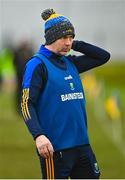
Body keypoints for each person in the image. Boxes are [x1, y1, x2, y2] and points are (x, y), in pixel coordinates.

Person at [21, 8, 110, 179]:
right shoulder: (37, 64)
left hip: (83, 146)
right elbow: (26, 103)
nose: (68, 42)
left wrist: (73, 42)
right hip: (55, 149)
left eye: (71, 38)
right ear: (51, 38)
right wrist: (38, 136)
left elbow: (103, 56)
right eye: (64, 38)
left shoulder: (71, 63)